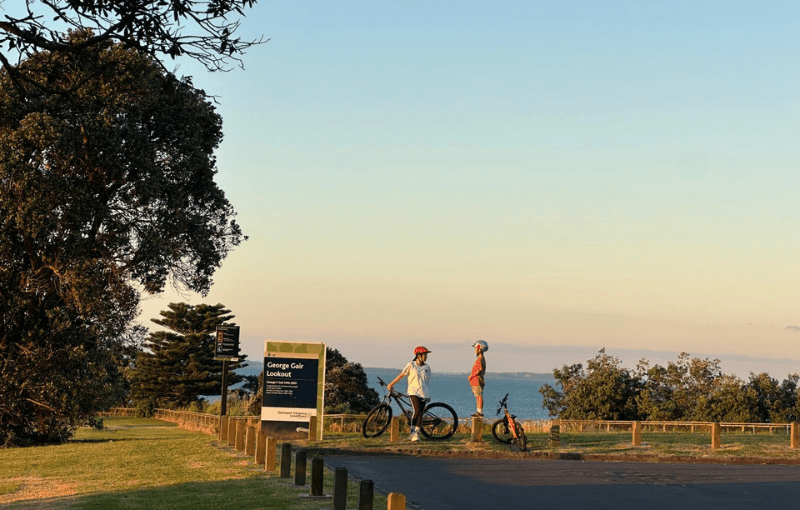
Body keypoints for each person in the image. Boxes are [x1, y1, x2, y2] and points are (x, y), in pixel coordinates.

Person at [387, 346, 432, 442]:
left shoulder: (427, 368)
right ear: (418, 355)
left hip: (423, 393)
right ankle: (412, 433)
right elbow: (401, 375)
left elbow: (427, 382)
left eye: (426, 355)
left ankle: (416, 433)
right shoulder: (411, 365)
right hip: (413, 392)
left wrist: (428, 394)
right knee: (416, 411)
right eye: (424, 355)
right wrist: (391, 384)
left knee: (420, 413)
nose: (426, 357)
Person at [468, 340, 488, 417]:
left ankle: (479, 411)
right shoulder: (480, 359)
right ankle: (478, 411)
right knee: (477, 396)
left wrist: (471, 376)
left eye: (476, 348)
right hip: (475, 380)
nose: (475, 350)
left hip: (477, 380)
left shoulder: (480, 359)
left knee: (479, 395)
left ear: (479, 349)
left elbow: (479, 370)